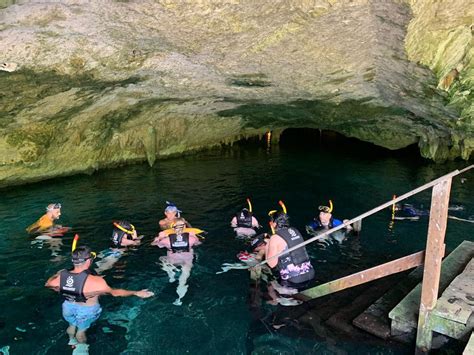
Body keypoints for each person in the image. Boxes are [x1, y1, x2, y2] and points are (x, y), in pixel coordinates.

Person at [45, 246, 154, 354]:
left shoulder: (60, 277)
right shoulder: (96, 281)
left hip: (68, 307)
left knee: (72, 325)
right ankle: (81, 349)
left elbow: (48, 284)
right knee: (81, 331)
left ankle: (71, 340)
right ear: (88, 261)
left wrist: (57, 274)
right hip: (86, 311)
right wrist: (136, 292)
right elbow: (115, 293)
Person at [152, 218, 201, 306]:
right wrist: (194, 235)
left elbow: (155, 244)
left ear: (172, 228)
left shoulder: (166, 240)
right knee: (183, 279)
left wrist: (159, 237)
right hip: (187, 260)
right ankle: (180, 298)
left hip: (172, 260)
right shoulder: (192, 239)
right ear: (185, 227)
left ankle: (171, 275)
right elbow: (198, 243)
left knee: (162, 259)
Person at [266, 209, 315, 292]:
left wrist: (267, 245)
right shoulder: (295, 231)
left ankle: (278, 299)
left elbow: (271, 263)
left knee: (269, 282)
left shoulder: (275, 238)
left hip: (293, 280)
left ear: (274, 224)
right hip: (310, 274)